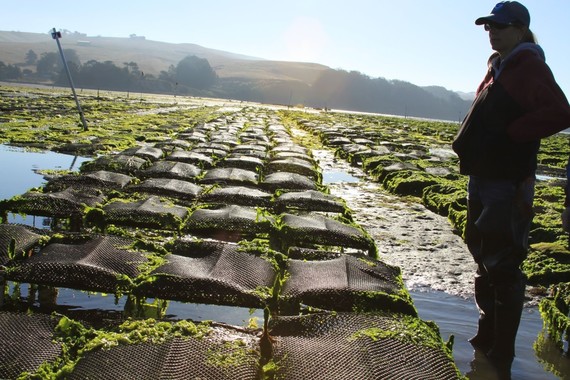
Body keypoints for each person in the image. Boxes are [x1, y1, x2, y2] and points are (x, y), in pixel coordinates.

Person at [452, 1, 570, 376]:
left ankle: (501, 352)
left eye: (500, 26)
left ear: (520, 29)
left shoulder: (530, 66)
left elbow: (560, 112)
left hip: (509, 182)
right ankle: (484, 338)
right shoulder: (496, 66)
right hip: (482, 178)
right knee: (479, 250)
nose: (493, 31)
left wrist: (512, 135)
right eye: (489, 26)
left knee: (503, 264)